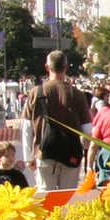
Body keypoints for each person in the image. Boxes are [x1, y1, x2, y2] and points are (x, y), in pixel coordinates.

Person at [24, 50, 95, 192]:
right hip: (71, 153)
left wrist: (29, 157)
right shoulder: (77, 94)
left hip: (44, 152)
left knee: (45, 196)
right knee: (67, 197)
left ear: (47, 67)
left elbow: (27, 128)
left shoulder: (36, 93)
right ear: (66, 68)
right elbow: (88, 130)